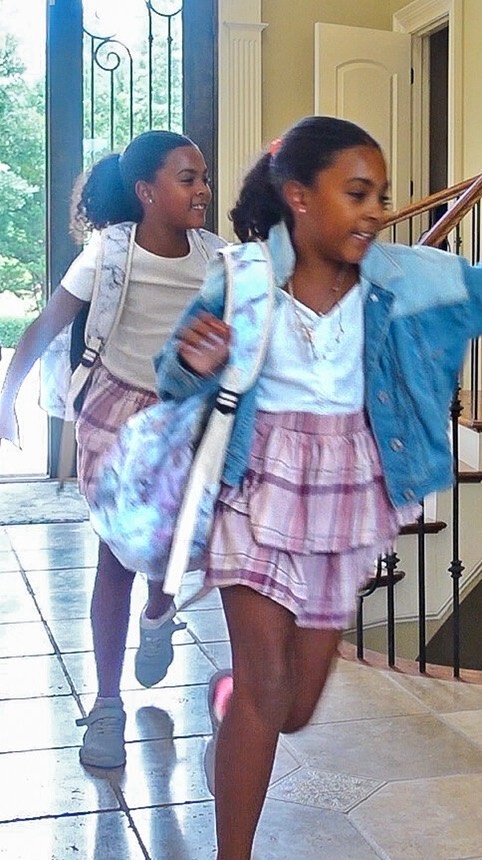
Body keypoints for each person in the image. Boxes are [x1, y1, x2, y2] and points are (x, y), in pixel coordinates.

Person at [154, 115, 482, 859]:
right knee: (267, 686)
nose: (375, 212)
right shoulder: (242, 278)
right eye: (357, 194)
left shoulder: (402, 277)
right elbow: (172, 375)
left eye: (381, 197)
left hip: (347, 493)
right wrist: (194, 362)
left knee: (295, 708)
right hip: (256, 483)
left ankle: (228, 706)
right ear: (299, 196)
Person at [0, 129, 225, 769]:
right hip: (117, 419)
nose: (203, 189)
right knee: (116, 555)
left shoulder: (218, 257)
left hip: (185, 420)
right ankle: (105, 705)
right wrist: (7, 395)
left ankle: (158, 613)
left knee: (172, 545)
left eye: (204, 177)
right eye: (188, 178)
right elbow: (47, 324)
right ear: (146, 192)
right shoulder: (110, 253)